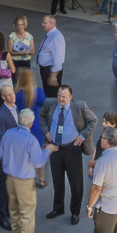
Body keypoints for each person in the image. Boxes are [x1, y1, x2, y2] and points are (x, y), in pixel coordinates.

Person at [0, 107, 57, 233]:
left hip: (10, 177)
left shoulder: (8, 134)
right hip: (24, 181)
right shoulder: (31, 140)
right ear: (31, 124)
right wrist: (48, 150)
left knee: (14, 210)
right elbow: (38, 162)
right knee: (27, 213)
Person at [39, 84, 97, 225]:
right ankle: (58, 208)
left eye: (64, 96)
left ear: (70, 97)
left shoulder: (79, 106)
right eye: (59, 95)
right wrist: (46, 130)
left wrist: (83, 135)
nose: (60, 98)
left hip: (72, 149)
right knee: (57, 181)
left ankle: (75, 212)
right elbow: (41, 116)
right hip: (55, 148)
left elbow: (93, 120)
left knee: (75, 183)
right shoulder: (49, 103)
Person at [0, 83, 25, 225]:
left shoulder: (15, 108)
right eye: (9, 95)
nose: (13, 96)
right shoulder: (1, 114)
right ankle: (1, 216)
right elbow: (0, 138)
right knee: (4, 186)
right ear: (3, 97)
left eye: (13, 93)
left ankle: (10, 211)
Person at [36, 14, 65, 93]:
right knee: (47, 92)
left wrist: (53, 75)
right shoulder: (51, 35)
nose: (42, 24)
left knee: (52, 94)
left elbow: (58, 58)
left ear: (52, 24)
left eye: (45, 23)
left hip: (50, 70)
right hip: (46, 69)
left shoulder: (56, 37)